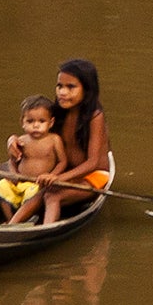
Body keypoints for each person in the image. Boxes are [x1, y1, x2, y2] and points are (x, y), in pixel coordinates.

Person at [38, 59, 113, 225]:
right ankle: (10, 225)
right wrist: (13, 141)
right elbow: (34, 131)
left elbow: (93, 162)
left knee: (52, 195)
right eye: (59, 86)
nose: (62, 92)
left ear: (87, 90)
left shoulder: (94, 116)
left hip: (93, 176)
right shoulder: (57, 112)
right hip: (66, 170)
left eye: (70, 87)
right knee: (38, 192)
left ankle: (44, 230)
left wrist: (60, 178)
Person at [0, 96, 66, 225]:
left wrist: (52, 175)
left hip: (38, 185)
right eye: (30, 121)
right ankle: (10, 218)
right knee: (2, 185)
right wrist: (14, 174)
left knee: (34, 195)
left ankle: (24, 218)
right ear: (22, 122)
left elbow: (62, 162)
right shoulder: (22, 141)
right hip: (20, 183)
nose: (35, 125)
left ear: (51, 123)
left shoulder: (54, 140)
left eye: (41, 121)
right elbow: (13, 160)